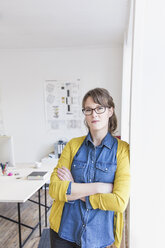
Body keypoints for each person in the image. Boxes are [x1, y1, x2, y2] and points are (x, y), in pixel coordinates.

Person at [49, 88, 130, 248]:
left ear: (110, 111)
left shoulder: (122, 150)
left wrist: (76, 191)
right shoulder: (73, 145)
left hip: (100, 238)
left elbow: (119, 202)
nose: (94, 114)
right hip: (64, 233)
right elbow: (55, 189)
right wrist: (100, 187)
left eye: (100, 108)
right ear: (85, 114)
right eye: (88, 109)